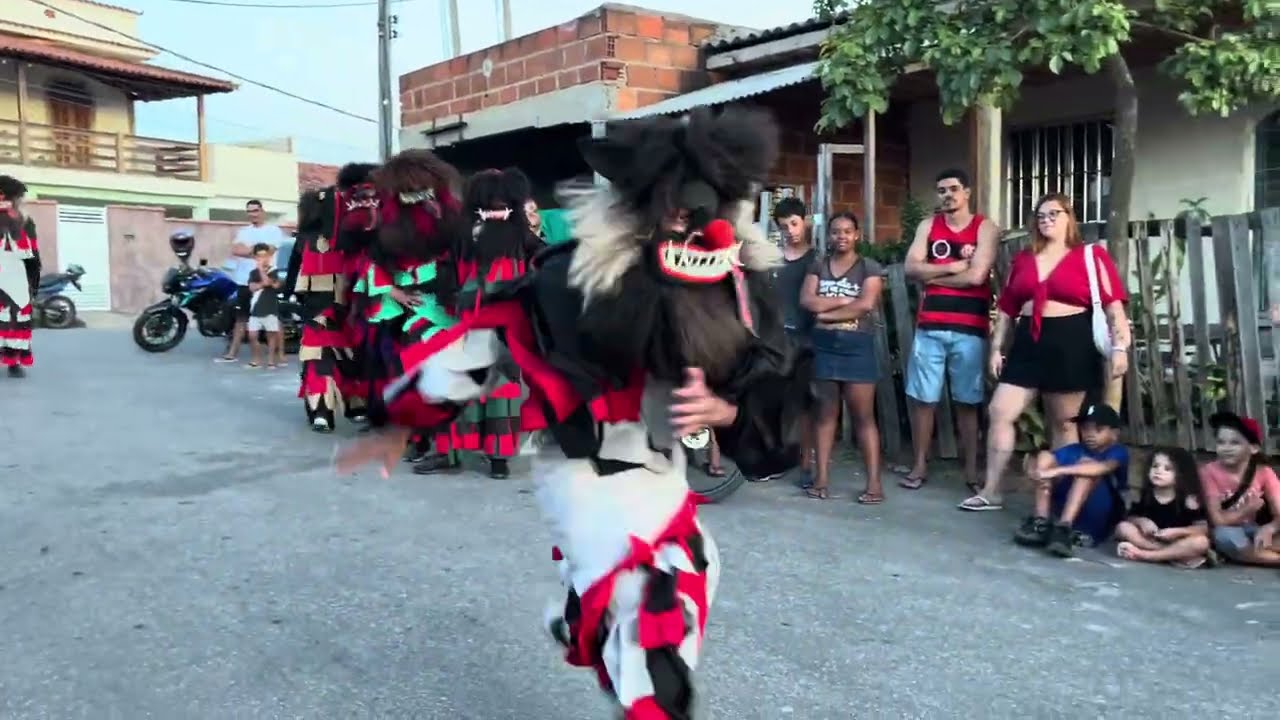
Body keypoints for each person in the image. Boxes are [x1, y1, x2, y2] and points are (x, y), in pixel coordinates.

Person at [337, 106, 814, 719]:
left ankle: (582, 615)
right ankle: (629, 667)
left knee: (697, 567)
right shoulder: (571, 281)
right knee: (659, 606)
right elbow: (486, 336)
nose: (688, 220)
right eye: (673, 205)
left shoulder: (737, 289)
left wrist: (723, 411)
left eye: (702, 207)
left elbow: (766, 401)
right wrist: (404, 418)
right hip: (587, 473)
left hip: (662, 472)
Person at [960, 193, 1131, 512]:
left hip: (1072, 342)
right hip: (1028, 342)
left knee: (1063, 423)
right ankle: (992, 490)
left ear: (1069, 217)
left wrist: (1120, 348)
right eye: (1040, 215)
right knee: (1000, 411)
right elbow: (1008, 309)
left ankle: (1060, 499)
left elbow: (1114, 307)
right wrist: (996, 348)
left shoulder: (1091, 257)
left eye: (1054, 213)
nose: (1046, 219)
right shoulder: (1023, 259)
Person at [419, 168, 543, 480]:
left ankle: (499, 459)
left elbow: (544, 266)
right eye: (491, 204)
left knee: (503, 390)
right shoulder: (462, 236)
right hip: (466, 325)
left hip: (508, 327)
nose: (497, 210)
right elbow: (445, 272)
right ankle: (449, 453)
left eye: (503, 204)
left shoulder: (523, 238)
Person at [899, 169, 998, 492]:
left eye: (954, 189)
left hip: (970, 328)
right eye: (941, 190)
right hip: (930, 326)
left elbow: (977, 277)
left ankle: (971, 472)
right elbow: (910, 268)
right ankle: (918, 466)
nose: (947, 195)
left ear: (967, 192)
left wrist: (933, 278)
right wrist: (953, 267)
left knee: (968, 402)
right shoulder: (928, 226)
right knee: (923, 400)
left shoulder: (984, 228)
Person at [800, 211, 885, 503]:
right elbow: (807, 300)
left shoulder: (868, 267)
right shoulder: (818, 265)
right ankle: (821, 478)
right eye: (836, 231)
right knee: (825, 415)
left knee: (864, 417)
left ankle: (874, 484)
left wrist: (825, 316)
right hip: (824, 349)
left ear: (857, 234)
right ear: (830, 235)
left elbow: (865, 305)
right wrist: (839, 302)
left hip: (857, 346)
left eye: (848, 231)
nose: (842, 237)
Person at [1013, 403, 1129, 557]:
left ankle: (1064, 528)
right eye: (1085, 428)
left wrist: (1056, 471)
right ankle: (1041, 522)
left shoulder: (1118, 452)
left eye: (1098, 429)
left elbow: (1101, 468)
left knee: (1086, 466)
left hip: (1095, 520)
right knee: (1045, 457)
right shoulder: (1075, 449)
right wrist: (1036, 469)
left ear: (1114, 434)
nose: (1089, 434)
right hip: (1064, 506)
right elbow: (1044, 463)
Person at [285, 186, 351, 432]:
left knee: (317, 359)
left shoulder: (304, 239)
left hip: (316, 309)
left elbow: (292, 277)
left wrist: (292, 298)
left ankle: (321, 413)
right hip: (342, 309)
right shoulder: (345, 238)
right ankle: (356, 408)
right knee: (346, 357)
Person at [768, 197, 815, 485]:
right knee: (777, 404)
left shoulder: (816, 259)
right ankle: (777, 457)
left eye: (794, 224)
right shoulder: (772, 258)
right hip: (776, 340)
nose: (790, 231)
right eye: (784, 226)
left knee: (806, 405)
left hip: (807, 341)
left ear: (805, 222)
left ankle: (807, 463)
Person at [1200, 411, 1280, 567]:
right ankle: (1273, 559)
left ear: (1253, 448)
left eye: (1235, 443)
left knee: (1265, 537)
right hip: (1226, 531)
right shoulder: (1208, 472)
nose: (1226, 448)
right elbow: (1218, 520)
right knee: (1225, 536)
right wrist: (1247, 509)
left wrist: (1270, 527)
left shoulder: (1264, 472)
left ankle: (1254, 555)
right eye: (1221, 442)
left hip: (1253, 529)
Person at [1115, 447, 1213, 568]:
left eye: (1167, 469)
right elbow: (1130, 517)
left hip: (1180, 541)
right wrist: (1142, 522)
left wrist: (1178, 532)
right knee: (1122, 527)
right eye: (1155, 466)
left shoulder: (1189, 499)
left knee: (1201, 543)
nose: (1158, 471)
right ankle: (1173, 555)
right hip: (1152, 541)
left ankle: (1145, 555)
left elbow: (1203, 528)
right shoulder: (1148, 494)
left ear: (1181, 474)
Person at [217, 199, 288, 363]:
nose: (253, 214)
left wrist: (249, 250)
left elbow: (269, 250)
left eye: (255, 210)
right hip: (244, 280)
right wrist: (256, 251)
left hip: (266, 279)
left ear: (262, 211)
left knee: (273, 318)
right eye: (249, 211)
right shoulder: (244, 231)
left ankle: (280, 354)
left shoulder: (273, 231)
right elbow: (235, 249)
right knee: (241, 317)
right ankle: (232, 352)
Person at [0, 175, 39, 377]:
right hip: (15, 276)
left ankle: (12, 361)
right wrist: (35, 283)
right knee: (14, 319)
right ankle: (13, 362)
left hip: (13, 275)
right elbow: (33, 256)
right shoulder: (23, 220)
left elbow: (32, 255)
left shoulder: (23, 220)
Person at [245, 243, 284, 368]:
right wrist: (263, 283)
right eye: (260, 256)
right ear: (255, 258)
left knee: (271, 335)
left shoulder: (274, 271)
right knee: (252, 335)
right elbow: (252, 288)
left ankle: (271, 360)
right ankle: (256, 358)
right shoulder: (253, 273)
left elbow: (270, 283)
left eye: (265, 255)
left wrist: (262, 273)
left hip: (270, 309)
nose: (263, 258)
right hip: (255, 309)